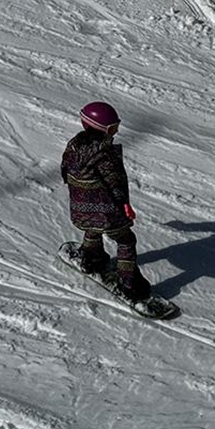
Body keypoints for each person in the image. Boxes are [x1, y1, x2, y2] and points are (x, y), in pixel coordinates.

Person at [60, 101, 152, 305]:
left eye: (116, 127)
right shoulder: (105, 156)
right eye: (113, 128)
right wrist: (124, 204)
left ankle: (92, 257)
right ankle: (130, 284)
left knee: (92, 227)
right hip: (107, 213)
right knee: (126, 240)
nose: (115, 133)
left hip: (80, 210)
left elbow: (65, 171)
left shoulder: (73, 145)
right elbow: (115, 183)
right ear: (101, 129)